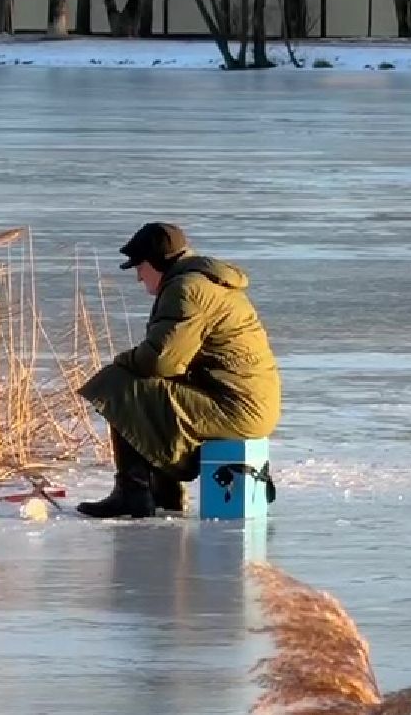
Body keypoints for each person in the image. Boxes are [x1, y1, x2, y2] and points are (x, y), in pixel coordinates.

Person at [75, 222, 281, 519]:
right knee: (146, 386)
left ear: (156, 262)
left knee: (115, 383)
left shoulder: (187, 290)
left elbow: (161, 361)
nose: (137, 277)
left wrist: (123, 361)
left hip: (237, 408)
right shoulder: (207, 284)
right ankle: (162, 491)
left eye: (139, 267)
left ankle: (133, 492)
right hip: (248, 403)